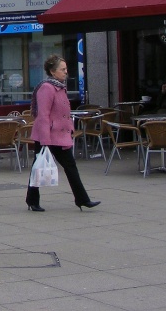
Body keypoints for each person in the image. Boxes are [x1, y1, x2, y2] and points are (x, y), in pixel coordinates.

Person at [25, 54, 100, 212]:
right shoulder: (47, 88)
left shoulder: (59, 87)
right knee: (39, 167)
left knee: (68, 166)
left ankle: (81, 199)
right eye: (62, 69)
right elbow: (43, 114)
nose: (66, 72)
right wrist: (45, 140)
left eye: (66, 69)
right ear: (53, 72)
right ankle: (33, 200)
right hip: (48, 135)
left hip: (59, 134)